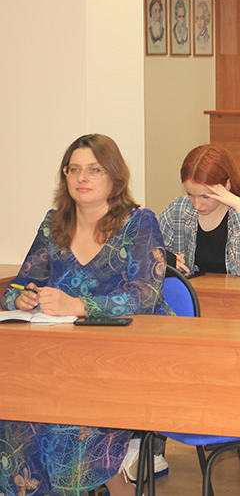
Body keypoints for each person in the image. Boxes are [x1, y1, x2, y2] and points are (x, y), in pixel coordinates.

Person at [0, 134, 168, 496]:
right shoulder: (54, 224)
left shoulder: (138, 223)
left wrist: (78, 305)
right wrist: (23, 299)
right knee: (14, 409)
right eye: (73, 169)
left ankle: (115, 485)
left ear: (115, 176)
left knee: (67, 420)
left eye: (94, 170)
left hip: (127, 355)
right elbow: (17, 287)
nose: (82, 178)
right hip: (63, 356)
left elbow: (145, 296)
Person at [158, 144, 240, 276]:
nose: (197, 205)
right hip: (191, 289)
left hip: (238, 290)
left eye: (205, 196)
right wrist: (166, 260)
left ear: (226, 185)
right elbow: (145, 250)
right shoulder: (178, 209)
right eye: (190, 194)